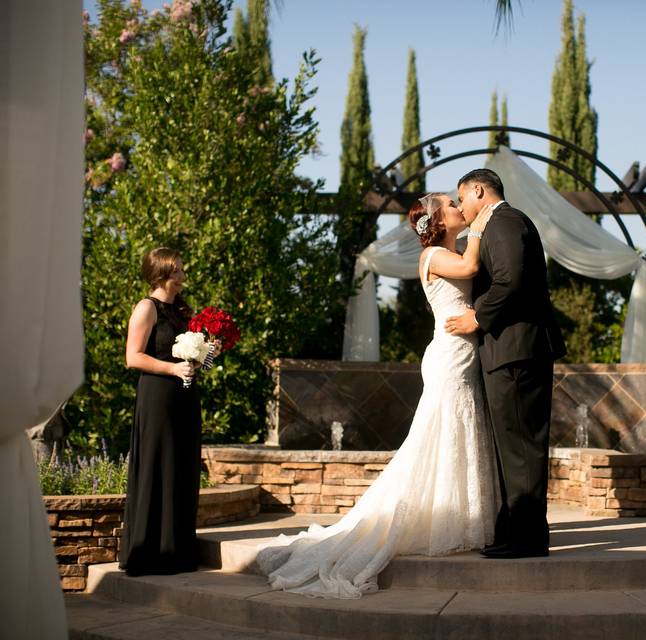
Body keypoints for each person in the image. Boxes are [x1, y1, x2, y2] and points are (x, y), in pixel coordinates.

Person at [256, 194, 497, 598]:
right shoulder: (434, 256)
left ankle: (460, 516)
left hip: (465, 354)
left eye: (459, 201)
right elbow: (471, 266)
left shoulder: (451, 248)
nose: (458, 205)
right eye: (450, 203)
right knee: (438, 432)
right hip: (448, 356)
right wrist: (483, 222)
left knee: (460, 429)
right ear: (437, 220)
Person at [446, 168, 566, 559]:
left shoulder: (506, 221)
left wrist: (476, 318)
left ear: (479, 190)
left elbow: (511, 280)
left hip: (518, 351)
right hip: (507, 352)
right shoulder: (495, 225)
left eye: (462, 198)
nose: (461, 207)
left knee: (522, 447)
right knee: (509, 446)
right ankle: (511, 531)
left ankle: (528, 539)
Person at [119, 247, 204, 576]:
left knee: (181, 467)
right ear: (162, 273)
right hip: (158, 398)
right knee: (159, 465)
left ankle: (177, 550)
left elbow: (192, 361)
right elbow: (132, 357)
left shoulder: (182, 311)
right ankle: (150, 552)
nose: (183, 277)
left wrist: (206, 354)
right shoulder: (147, 308)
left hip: (184, 397)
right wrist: (172, 370)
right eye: (178, 271)